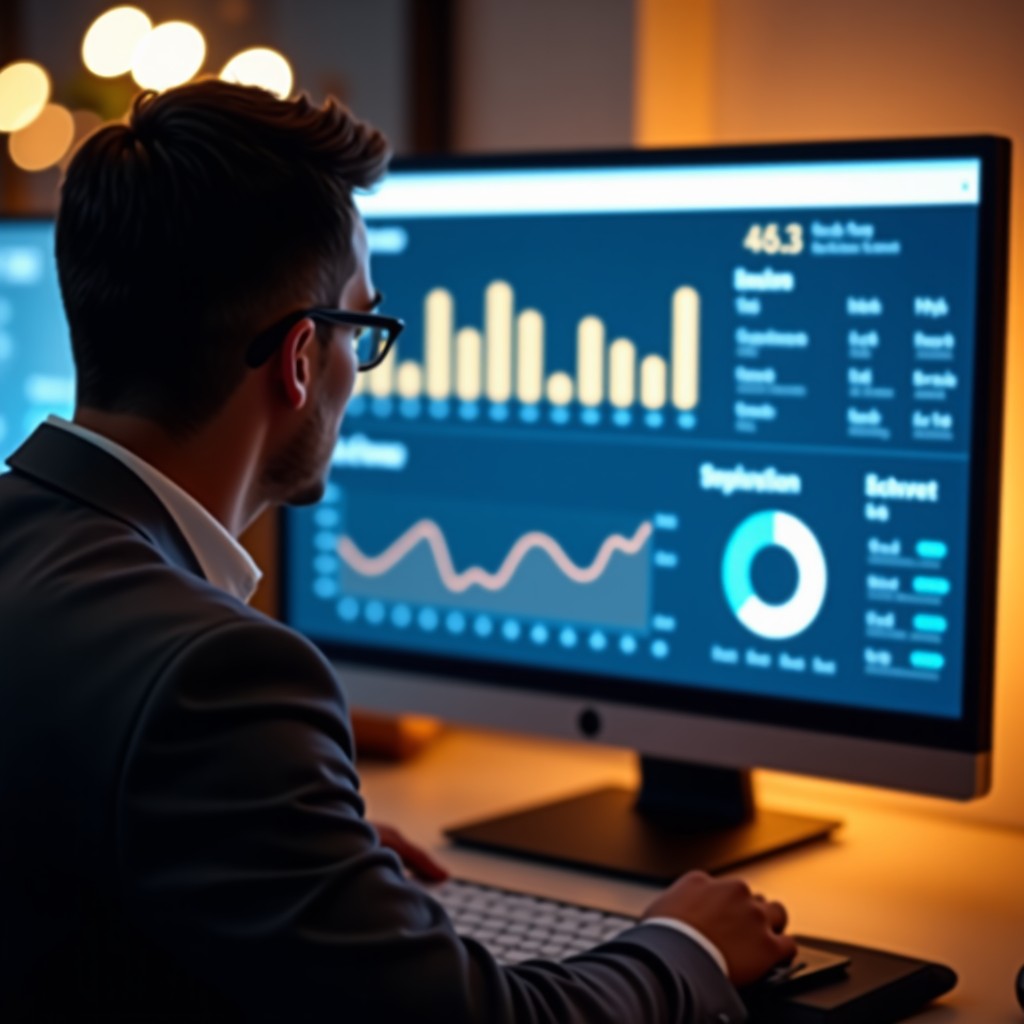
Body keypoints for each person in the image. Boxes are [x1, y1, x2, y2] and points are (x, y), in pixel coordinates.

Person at [0, 79, 795, 1023]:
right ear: (300, 360)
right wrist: (685, 947)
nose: (360, 373)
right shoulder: (217, 674)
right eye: (364, 329)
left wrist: (286, 846)